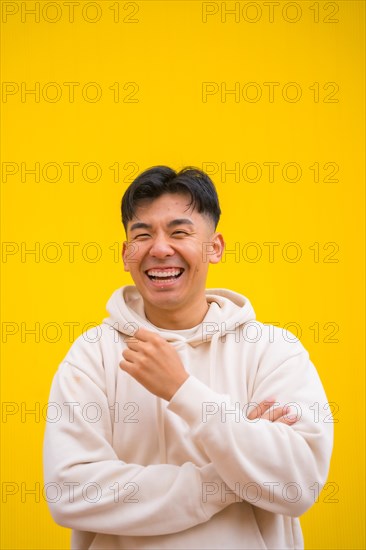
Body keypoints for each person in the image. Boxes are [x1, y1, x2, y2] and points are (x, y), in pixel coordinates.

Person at [43, 165, 333, 550]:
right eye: (142, 235)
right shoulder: (92, 354)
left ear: (214, 248)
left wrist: (183, 390)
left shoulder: (274, 350)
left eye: (179, 232)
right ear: (126, 253)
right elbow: (70, 493)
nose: (160, 249)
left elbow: (298, 484)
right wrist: (229, 477)